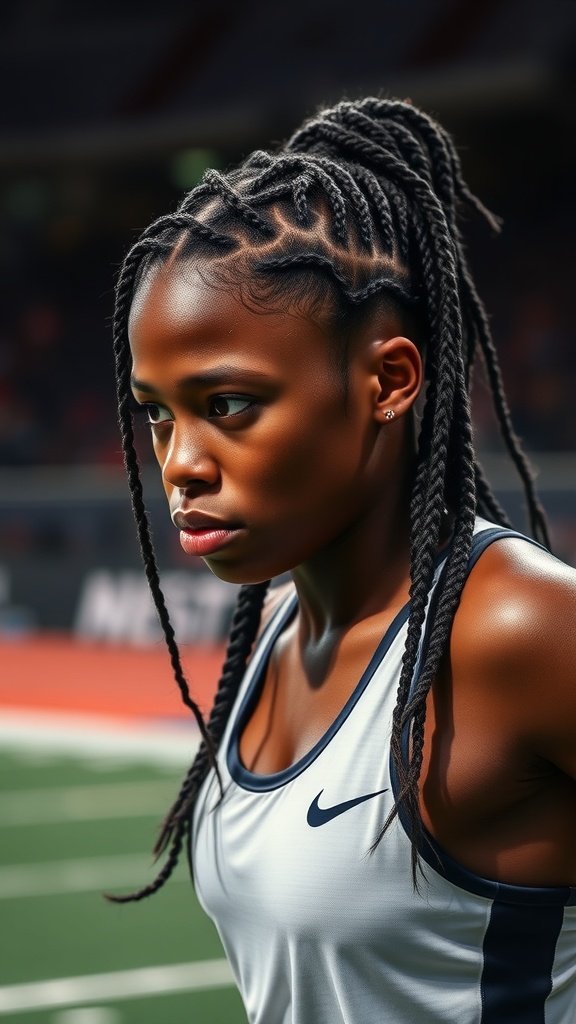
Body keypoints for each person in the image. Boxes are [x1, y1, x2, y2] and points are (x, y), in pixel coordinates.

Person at [109, 97, 576, 1023]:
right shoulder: (276, 629)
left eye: (229, 404)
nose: (180, 462)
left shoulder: (521, 631)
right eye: (158, 410)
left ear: (388, 381)